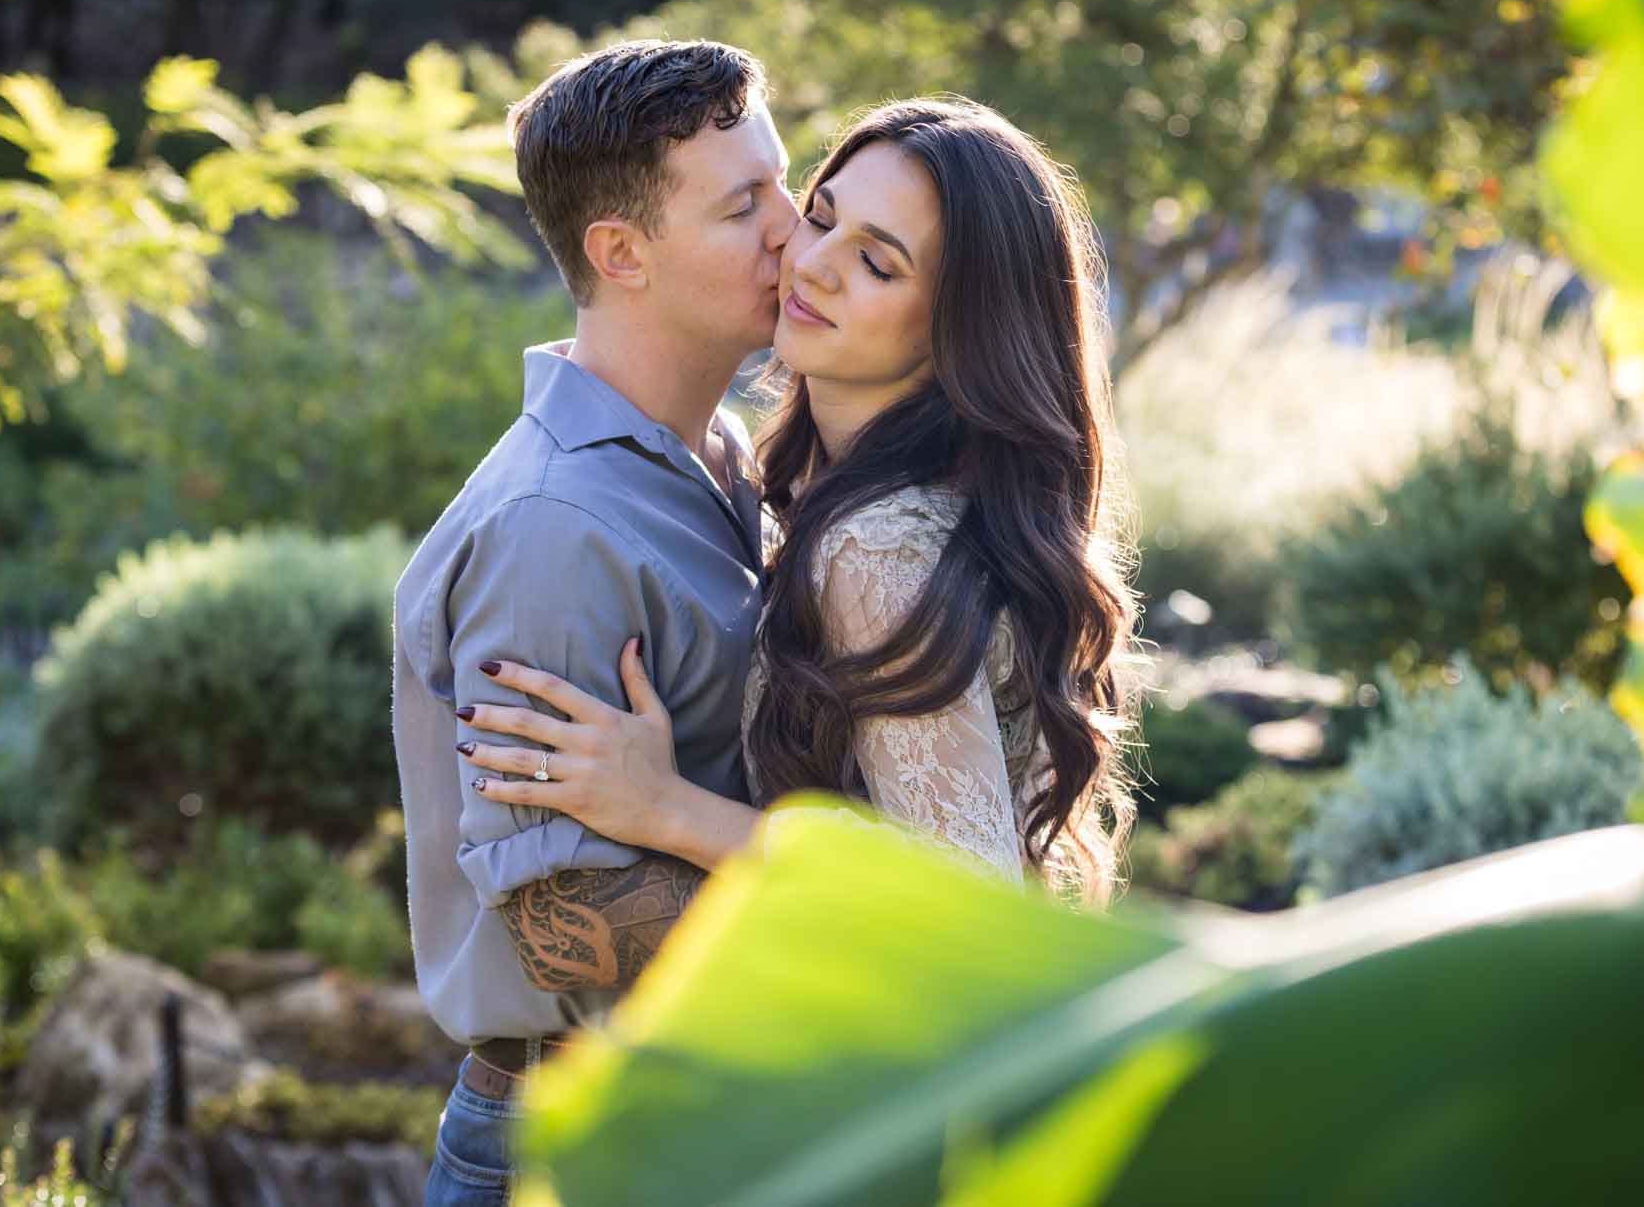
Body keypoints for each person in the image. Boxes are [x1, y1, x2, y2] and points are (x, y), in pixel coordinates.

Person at [460, 97, 1141, 922]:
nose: (811, 262)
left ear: (959, 327)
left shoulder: (876, 544)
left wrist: (668, 807)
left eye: (879, 264)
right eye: (820, 217)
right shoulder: (835, 498)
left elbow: (966, 898)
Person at [391, 38, 797, 1207]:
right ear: (620, 253)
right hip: (587, 1147)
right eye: (741, 206)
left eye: (779, 181)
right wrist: (893, 912)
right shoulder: (555, 531)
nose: (790, 225)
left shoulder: (713, 457)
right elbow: (559, 928)